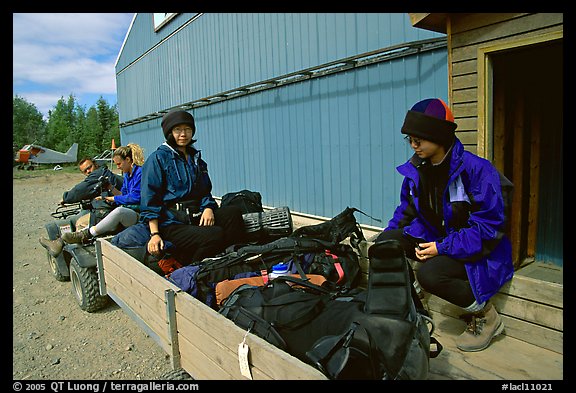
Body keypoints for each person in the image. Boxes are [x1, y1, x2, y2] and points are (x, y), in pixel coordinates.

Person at [375, 98, 514, 352]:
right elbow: (406, 210)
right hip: (437, 237)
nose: (413, 145)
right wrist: (388, 238)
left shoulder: (477, 171)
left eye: (420, 139)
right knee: (385, 244)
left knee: (430, 274)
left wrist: (442, 247)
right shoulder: (417, 169)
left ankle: (487, 316)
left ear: (439, 136)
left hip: (480, 246)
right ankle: (415, 302)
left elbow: (489, 227)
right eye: (410, 139)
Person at [140, 109, 246, 265]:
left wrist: (208, 208)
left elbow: (204, 190)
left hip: (195, 215)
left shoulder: (195, 158)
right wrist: (154, 233)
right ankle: (194, 270)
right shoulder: (157, 159)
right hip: (172, 223)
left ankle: (231, 259)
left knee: (233, 213)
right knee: (214, 234)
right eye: (178, 130)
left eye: (187, 129)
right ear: (169, 132)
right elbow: (150, 197)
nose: (183, 134)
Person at [61, 143, 145, 245]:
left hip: (140, 213)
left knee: (119, 212)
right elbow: (123, 194)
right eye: (85, 171)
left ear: (127, 160)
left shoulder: (140, 173)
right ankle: (63, 241)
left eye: (119, 164)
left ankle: (87, 234)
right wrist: (109, 189)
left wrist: (114, 199)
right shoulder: (128, 174)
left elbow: (136, 197)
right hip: (130, 210)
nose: (118, 167)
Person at [39, 157, 123, 256]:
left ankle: (63, 242)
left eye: (89, 167)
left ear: (95, 165)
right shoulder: (104, 177)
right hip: (114, 210)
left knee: (79, 222)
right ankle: (61, 241)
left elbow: (79, 191)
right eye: (85, 171)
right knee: (83, 215)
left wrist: (65, 198)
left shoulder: (99, 174)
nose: (88, 171)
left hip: (110, 213)